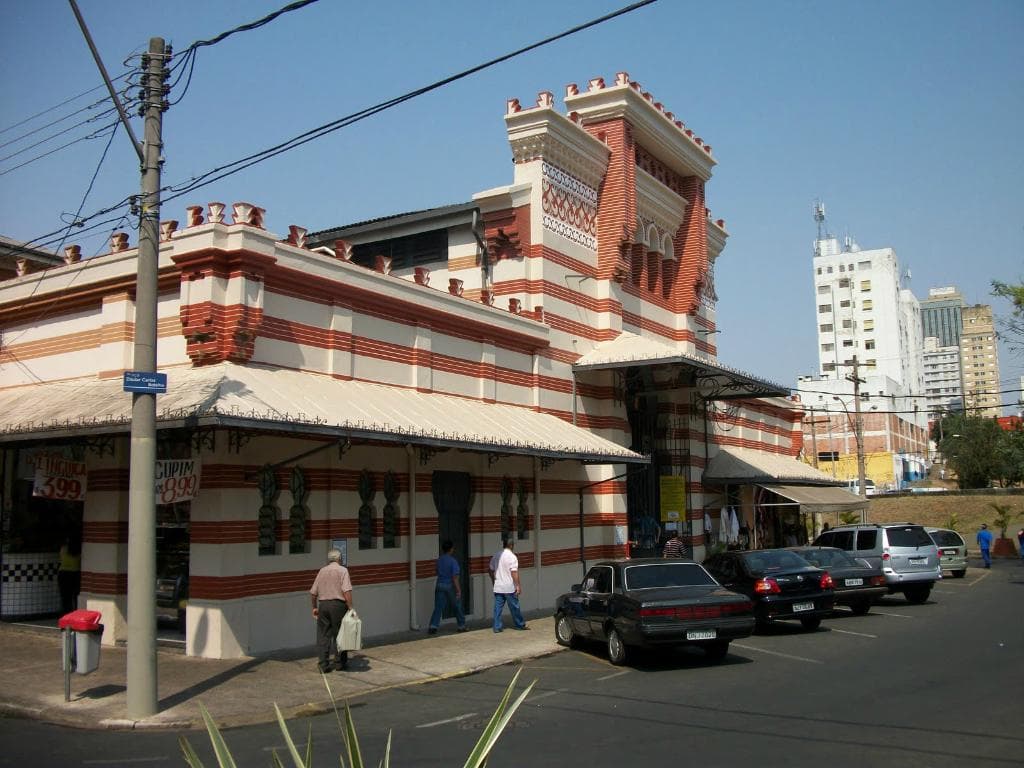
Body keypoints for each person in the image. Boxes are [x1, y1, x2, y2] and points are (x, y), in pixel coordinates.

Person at [309, 548, 354, 672]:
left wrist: (314, 607)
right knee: (340, 634)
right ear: (339, 559)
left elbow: (313, 593)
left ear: (329, 560)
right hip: (338, 605)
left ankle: (323, 664)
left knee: (323, 635)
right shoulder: (343, 570)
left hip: (323, 605)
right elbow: (347, 591)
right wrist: (350, 608)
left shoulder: (322, 571)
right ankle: (339, 663)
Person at [488, 538, 527, 632]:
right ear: (511, 545)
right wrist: (517, 586)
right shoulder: (512, 557)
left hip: (498, 587)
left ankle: (497, 627)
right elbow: (514, 572)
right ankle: (520, 624)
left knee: (497, 608)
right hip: (509, 587)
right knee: (514, 607)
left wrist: (494, 580)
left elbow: (490, 569)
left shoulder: (496, 555)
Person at [428, 540, 466, 634]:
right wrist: (458, 590)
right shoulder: (453, 561)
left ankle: (433, 626)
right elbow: (455, 578)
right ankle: (461, 625)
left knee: (438, 606)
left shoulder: (439, 560)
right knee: (457, 605)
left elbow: (436, 571)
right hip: (449, 585)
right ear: (451, 549)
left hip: (439, 584)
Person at [58, 534, 81, 614]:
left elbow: (60, 559)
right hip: (76, 573)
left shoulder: (64, 548)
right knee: (75, 596)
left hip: (63, 573)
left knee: (65, 597)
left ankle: (66, 614)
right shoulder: (79, 550)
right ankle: (76, 614)